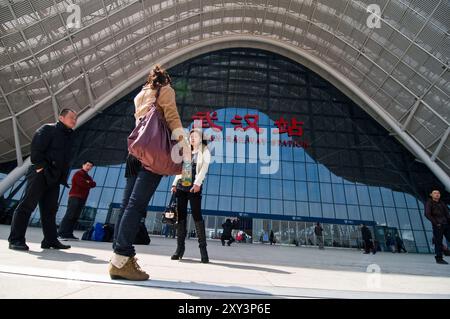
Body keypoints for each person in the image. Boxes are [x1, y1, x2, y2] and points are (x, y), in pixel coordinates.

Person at [109, 65, 190, 281]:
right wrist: (185, 148)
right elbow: (172, 118)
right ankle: (123, 257)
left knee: (127, 205)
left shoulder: (141, 93)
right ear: (167, 79)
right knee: (137, 205)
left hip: (135, 152)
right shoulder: (166, 90)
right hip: (152, 155)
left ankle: (117, 259)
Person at [8, 109, 77, 251]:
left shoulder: (69, 136)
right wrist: (40, 167)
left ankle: (50, 240)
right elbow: (36, 148)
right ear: (61, 118)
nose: (74, 120)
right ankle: (16, 239)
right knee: (26, 206)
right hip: (40, 173)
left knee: (50, 211)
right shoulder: (48, 129)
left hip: (54, 178)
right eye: (71, 117)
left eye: (75, 118)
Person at [170, 128, 211, 263]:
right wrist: (175, 184)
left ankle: (203, 251)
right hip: (182, 185)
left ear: (200, 138)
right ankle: (179, 249)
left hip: (194, 186)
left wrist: (198, 183)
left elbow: (204, 169)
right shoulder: (187, 151)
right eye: (191, 136)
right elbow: (181, 170)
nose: (193, 138)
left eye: (196, 136)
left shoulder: (205, 151)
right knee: (180, 217)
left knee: (197, 216)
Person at [58, 160, 96, 240]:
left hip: (82, 198)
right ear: (83, 165)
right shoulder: (78, 173)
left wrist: (88, 182)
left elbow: (94, 184)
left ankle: (68, 233)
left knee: (75, 216)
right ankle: (61, 233)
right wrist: (88, 182)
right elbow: (81, 183)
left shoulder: (88, 177)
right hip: (75, 197)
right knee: (70, 215)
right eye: (87, 165)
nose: (89, 167)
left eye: (90, 166)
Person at [424, 189, 450, 264]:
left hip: (446, 224)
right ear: (431, 195)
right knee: (438, 241)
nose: (437, 194)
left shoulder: (442, 203)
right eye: (435, 193)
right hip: (438, 226)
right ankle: (439, 258)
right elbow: (427, 214)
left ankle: (445, 253)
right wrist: (436, 223)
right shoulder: (429, 203)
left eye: (438, 193)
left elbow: (447, 213)